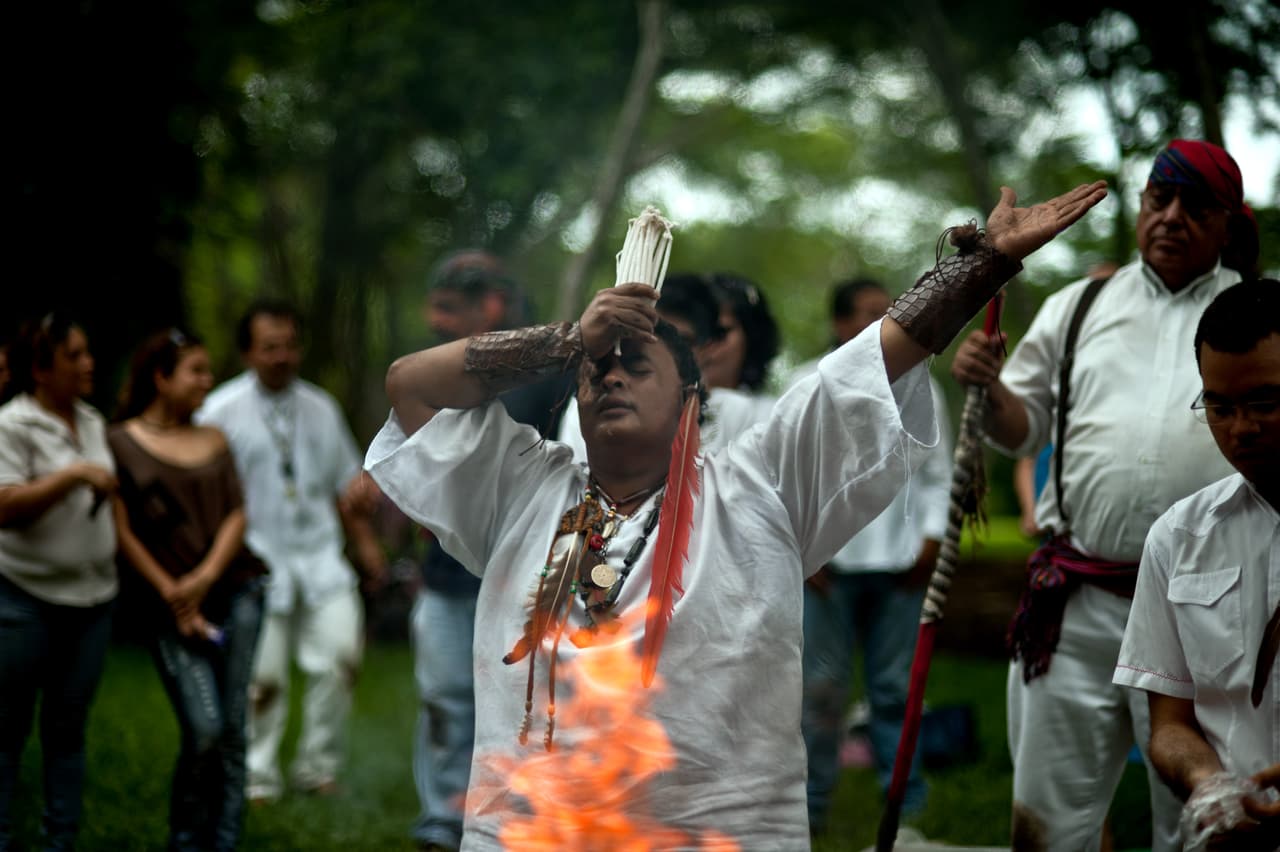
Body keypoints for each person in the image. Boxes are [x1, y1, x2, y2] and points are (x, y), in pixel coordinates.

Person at [366, 181, 1106, 847]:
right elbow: (410, 385)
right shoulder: (521, 485)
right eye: (598, 368)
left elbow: (875, 361)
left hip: (718, 833)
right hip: (531, 832)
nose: (612, 373)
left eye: (637, 364)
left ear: (692, 403)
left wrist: (980, 266)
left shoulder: (760, 485)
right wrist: (567, 340)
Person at [950, 139, 1259, 851]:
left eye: (1196, 206)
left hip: (1209, 609)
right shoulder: (1079, 306)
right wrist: (988, 388)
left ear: (1226, 224)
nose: (1172, 217)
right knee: (1050, 819)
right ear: (1143, 205)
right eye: (1160, 199)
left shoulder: (1251, 316)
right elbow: (1021, 429)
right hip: (1077, 605)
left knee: (1203, 817)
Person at [410, 251, 571, 852]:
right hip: (446, 577)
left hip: (525, 574)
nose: (433, 320)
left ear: (494, 307)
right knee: (446, 696)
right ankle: (442, 820)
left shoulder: (551, 372)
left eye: (447, 309)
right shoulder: (432, 371)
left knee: (524, 708)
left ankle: (516, 822)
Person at [1114, 279, 1280, 850]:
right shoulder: (1180, 538)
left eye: (1265, 402)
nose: (1241, 429)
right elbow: (1170, 724)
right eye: (1219, 405)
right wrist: (1208, 784)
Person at [196, 299, 383, 803]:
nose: (283, 356)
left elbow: (348, 483)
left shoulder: (321, 407)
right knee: (264, 679)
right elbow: (202, 494)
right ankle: (257, 777)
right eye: (270, 347)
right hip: (255, 561)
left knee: (341, 657)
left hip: (320, 558)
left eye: (290, 345)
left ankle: (317, 770)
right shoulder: (217, 411)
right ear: (247, 354)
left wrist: (365, 534)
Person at [794, 278, 952, 832]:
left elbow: (938, 474)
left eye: (886, 313)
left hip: (900, 564)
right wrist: (801, 550)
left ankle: (903, 805)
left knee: (893, 688)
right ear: (839, 324)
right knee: (820, 689)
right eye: (866, 314)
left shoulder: (918, 384)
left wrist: (931, 541)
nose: (881, 323)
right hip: (826, 567)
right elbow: (787, 478)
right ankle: (808, 808)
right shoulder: (808, 382)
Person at [109, 329, 266, 851]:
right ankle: (184, 842)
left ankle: (223, 841)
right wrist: (176, 593)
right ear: (160, 377)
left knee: (233, 730)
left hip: (237, 591)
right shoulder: (120, 442)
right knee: (204, 728)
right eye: (195, 370)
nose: (208, 380)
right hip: (167, 606)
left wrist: (201, 579)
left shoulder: (215, 439)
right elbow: (121, 529)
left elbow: (237, 514)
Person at [0, 313, 117, 850]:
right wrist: (72, 475)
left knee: (68, 732)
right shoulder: (12, 424)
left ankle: (59, 843)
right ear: (42, 368)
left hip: (93, 600)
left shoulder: (91, 420)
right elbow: (4, 507)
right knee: (8, 732)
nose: (88, 364)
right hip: (26, 598)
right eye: (74, 355)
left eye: (87, 352)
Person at [556, 273, 777, 459]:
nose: (659, 354)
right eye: (649, 340)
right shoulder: (592, 408)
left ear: (705, 348)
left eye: (677, 343)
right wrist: (575, 339)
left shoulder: (740, 414)